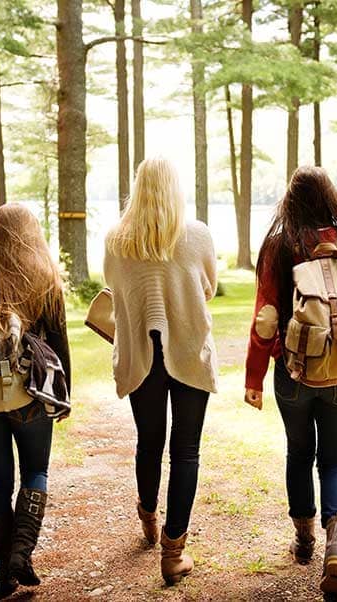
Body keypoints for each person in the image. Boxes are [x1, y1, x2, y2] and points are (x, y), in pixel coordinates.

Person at [244, 165, 337, 596]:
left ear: (290, 201)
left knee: (300, 454)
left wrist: (254, 377)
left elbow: (266, 319)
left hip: (294, 369)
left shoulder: (280, 245)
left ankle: (304, 539)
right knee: (336, 460)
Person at [104, 156, 218, 586]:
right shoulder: (197, 234)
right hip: (188, 350)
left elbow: (115, 288)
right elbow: (207, 287)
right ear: (176, 188)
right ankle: (173, 553)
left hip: (141, 355)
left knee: (149, 442)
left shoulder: (117, 239)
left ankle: (148, 516)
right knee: (185, 450)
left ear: (138, 187)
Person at [0, 203, 71, 598]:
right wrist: (63, 394)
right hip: (32, 395)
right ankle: (23, 553)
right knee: (35, 472)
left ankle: (4, 570)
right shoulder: (45, 278)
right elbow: (58, 343)